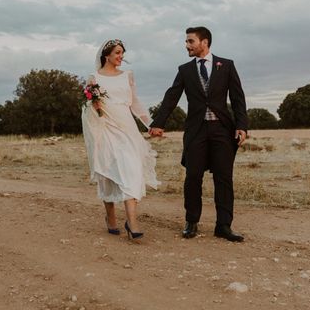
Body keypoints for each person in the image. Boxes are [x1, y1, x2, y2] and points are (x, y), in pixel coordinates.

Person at [149, 27, 248, 242]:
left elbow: (238, 98)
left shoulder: (227, 65)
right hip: (196, 131)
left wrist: (242, 126)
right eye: (186, 41)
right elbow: (171, 97)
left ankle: (223, 226)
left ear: (204, 42)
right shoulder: (185, 70)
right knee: (193, 177)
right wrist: (158, 123)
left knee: (223, 178)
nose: (187, 45)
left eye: (190, 41)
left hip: (222, 130)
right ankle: (191, 222)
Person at [81, 39, 160, 240]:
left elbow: (135, 103)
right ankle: (110, 216)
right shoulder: (94, 77)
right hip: (105, 128)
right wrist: (95, 109)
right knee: (108, 171)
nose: (121, 57)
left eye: (122, 53)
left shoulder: (127, 75)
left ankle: (132, 222)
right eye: (117, 53)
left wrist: (150, 124)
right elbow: (88, 106)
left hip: (126, 127)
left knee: (132, 169)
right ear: (106, 55)